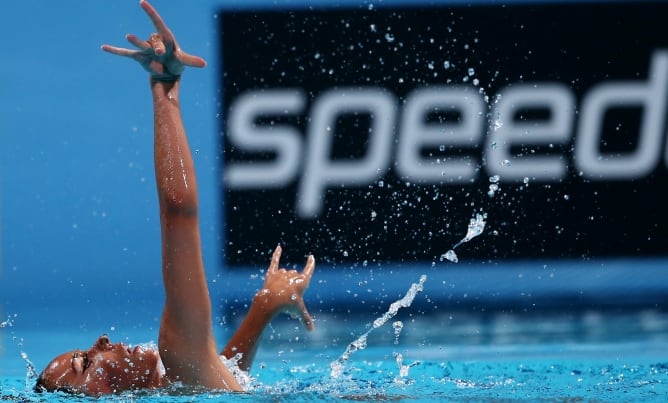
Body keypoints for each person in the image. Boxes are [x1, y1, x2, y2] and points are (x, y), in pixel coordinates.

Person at [33, 0, 315, 396]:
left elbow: (218, 377)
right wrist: (164, 93)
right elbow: (178, 212)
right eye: (85, 363)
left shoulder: (174, 385)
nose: (100, 343)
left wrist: (262, 308)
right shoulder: (176, 359)